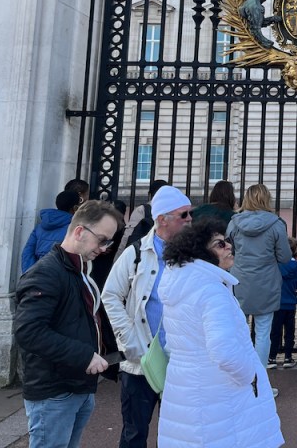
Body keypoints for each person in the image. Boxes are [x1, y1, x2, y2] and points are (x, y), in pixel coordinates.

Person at [157, 218, 284, 448]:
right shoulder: (211, 291)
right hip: (218, 390)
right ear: (201, 254)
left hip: (185, 385)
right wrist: (250, 375)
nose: (228, 247)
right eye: (219, 244)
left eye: (227, 241)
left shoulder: (181, 284)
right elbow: (224, 351)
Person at [14, 200, 121, 448]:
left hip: (76, 385)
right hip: (55, 391)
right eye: (102, 240)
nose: (104, 249)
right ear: (80, 231)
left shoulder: (78, 271)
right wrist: (85, 356)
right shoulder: (46, 273)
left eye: (109, 242)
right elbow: (29, 332)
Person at [101, 185, 193, 448]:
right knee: (134, 432)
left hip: (180, 359)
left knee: (179, 434)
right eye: (183, 215)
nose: (190, 220)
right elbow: (110, 295)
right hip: (141, 359)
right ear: (162, 219)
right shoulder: (137, 253)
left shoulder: (196, 255)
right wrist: (127, 338)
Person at [227, 184, 292, 373]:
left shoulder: (234, 223)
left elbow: (229, 250)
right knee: (263, 333)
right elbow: (285, 257)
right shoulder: (276, 224)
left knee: (239, 331)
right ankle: (260, 381)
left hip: (240, 280)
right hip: (266, 282)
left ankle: (239, 376)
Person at [21, 188, 80, 273]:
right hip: (59, 276)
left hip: (37, 273)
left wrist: (29, 274)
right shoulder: (76, 229)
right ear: (75, 208)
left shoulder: (40, 226)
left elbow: (27, 253)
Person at [269, 236, 297, 369]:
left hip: (277, 302)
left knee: (275, 331)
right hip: (290, 303)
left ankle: (272, 357)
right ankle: (288, 357)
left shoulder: (276, 265)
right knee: (289, 332)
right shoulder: (296, 266)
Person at [114, 179, 168, 260]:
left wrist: (118, 260)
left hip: (142, 256)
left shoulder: (143, 210)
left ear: (149, 194)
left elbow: (128, 236)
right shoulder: (174, 212)